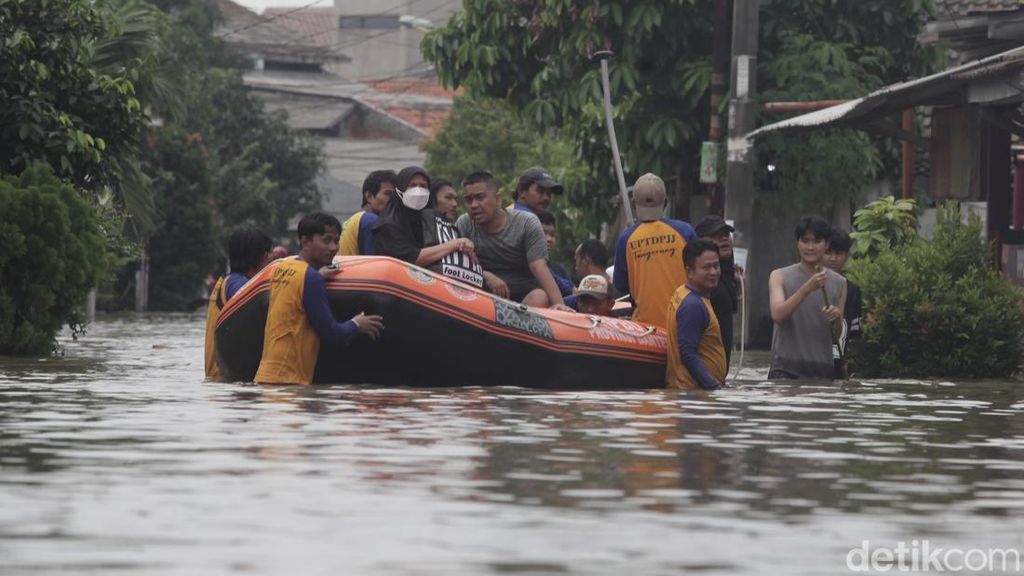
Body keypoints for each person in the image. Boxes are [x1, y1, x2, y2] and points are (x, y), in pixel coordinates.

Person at [255, 213, 384, 385]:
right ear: (305, 241)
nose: (333, 247)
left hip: (266, 376)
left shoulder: (283, 268)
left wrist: (316, 276)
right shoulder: (311, 278)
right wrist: (356, 324)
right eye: (326, 240)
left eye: (336, 241)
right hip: (290, 381)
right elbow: (331, 332)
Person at [457, 171, 572, 310]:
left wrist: (559, 305)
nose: (474, 205)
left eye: (480, 198)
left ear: (498, 199)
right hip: (482, 298)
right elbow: (455, 266)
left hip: (525, 301)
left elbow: (539, 266)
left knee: (540, 297)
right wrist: (484, 275)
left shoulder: (526, 222)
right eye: (469, 200)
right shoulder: (464, 223)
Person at [373, 167, 484, 288]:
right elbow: (410, 258)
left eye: (423, 186)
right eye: (413, 185)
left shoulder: (429, 220)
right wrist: (454, 244)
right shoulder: (389, 224)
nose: (419, 190)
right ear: (400, 189)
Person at [613, 173, 697, 329]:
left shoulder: (625, 239)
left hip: (645, 331)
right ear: (665, 203)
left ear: (633, 204)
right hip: (684, 325)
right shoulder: (685, 231)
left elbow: (621, 290)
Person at [768, 216, 847, 380]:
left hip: (822, 369)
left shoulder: (840, 282)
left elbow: (836, 335)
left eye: (817, 241)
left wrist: (837, 318)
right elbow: (777, 315)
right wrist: (806, 289)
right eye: (805, 241)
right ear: (798, 243)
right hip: (785, 369)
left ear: (826, 244)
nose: (810, 247)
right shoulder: (779, 276)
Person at [205, 228, 273, 380]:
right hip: (227, 379)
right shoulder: (239, 284)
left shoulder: (228, 281)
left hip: (219, 380)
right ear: (263, 256)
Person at [665, 239, 727, 390]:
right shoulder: (693, 306)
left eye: (716, 266)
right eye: (706, 268)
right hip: (694, 396)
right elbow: (688, 355)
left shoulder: (683, 292)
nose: (713, 272)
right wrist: (714, 388)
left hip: (693, 393)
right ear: (689, 272)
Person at [695, 214, 741, 367]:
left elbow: (729, 308)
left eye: (726, 234)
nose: (724, 239)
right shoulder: (701, 282)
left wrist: (737, 284)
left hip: (718, 374)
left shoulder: (726, 275)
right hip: (705, 372)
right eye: (716, 235)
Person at [339, 169, 398, 256]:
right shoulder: (370, 220)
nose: (394, 199)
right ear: (369, 196)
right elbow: (374, 264)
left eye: (396, 195)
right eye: (388, 193)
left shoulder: (357, 219)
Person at [824, 228, 862, 353]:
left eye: (838, 253)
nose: (833, 258)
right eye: (828, 253)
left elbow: (854, 333)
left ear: (846, 255)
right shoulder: (810, 285)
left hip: (838, 358)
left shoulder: (853, 290)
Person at [536, 211, 574, 297]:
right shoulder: (526, 269)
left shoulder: (560, 270)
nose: (549, 239)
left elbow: (573, 293)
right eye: (543, 233)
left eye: (552, 235)